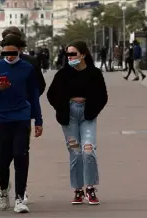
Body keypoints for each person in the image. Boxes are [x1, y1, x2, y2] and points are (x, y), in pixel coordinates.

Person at [0, 34, 43, 213]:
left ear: (20, 50)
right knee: (4, 157)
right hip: (1, 118)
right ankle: (3, 192)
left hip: (22, 116)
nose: (9, 56)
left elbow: (34, 95)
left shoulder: (27, 68)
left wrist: (38, 120)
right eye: (6, 52)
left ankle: (19, 197)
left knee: (21, 155)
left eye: (13, 52)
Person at [47, 41, 107, 205]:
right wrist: (63, 107)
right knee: (75, 153)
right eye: (68, 54)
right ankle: (78, 189)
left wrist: (92, 110)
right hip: (69, 116)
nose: (70, 57)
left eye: (73, 54)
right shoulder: (62, 74)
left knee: (88, 150)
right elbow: (51, 95)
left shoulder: (94, 73)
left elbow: (102, 96)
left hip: (88, 115)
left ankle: (90, 188)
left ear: (83, 54)